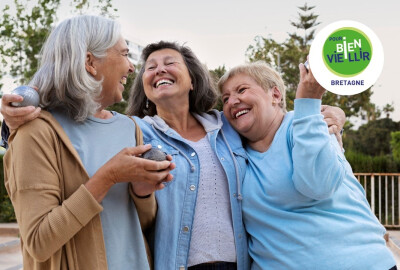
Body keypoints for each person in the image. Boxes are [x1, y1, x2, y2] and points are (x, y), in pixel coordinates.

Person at [1, 41, 345, 270]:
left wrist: (329, 115)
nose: (158, 70)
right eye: (150, 67)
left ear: (192, 79)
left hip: (240, 263)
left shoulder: (225, 125)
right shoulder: (133, 130)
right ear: (145, 87)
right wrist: (13, 119)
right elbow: (76, 127)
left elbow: (274, 122)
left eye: (169, 63)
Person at [2, 15, 174, 270]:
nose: (131, 67)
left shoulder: (129, 127)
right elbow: (38, 242)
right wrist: (108, 177)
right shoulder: (36, 132)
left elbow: (142, 223)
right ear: (90, 62)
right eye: (124, 54)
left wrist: (142, 191)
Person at [218, 61, 396, 270]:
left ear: (275, 95)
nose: (232, 101)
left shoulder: (308, 124)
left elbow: (318, 186)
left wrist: (309, 103)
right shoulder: (231, 151)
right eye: (225, 99)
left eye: (242, 90)